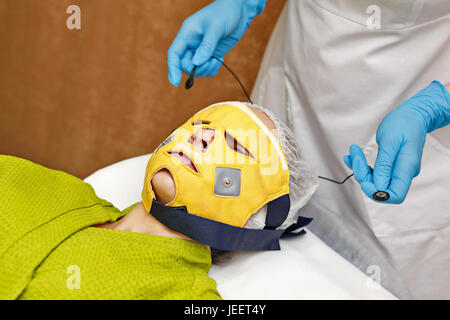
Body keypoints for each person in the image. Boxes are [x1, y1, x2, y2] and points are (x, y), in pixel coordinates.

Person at [167, 0, 450, 299]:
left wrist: (436, 105)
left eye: (236, 146)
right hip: (300, 61)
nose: (200, 138)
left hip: (412, 91)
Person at [0, 101, 317, 299]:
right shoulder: (43, 184)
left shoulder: (184, 295)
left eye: (235, 144)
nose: (199, 136)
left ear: (257, 214)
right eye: (201, 124)